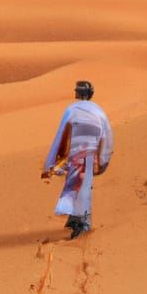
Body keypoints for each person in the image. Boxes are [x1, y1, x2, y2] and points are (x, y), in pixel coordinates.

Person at [41, 80, 114, 239]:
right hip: (90, 154)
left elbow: (62, 135)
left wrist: (53, 162)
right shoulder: (99, 111)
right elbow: (106, 136)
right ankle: (79, 219)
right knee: (85, 184)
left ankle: (80, 221)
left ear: (77, 93)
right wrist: (103, 160)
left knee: (74, 183)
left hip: (76, 154)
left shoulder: (71, 110)